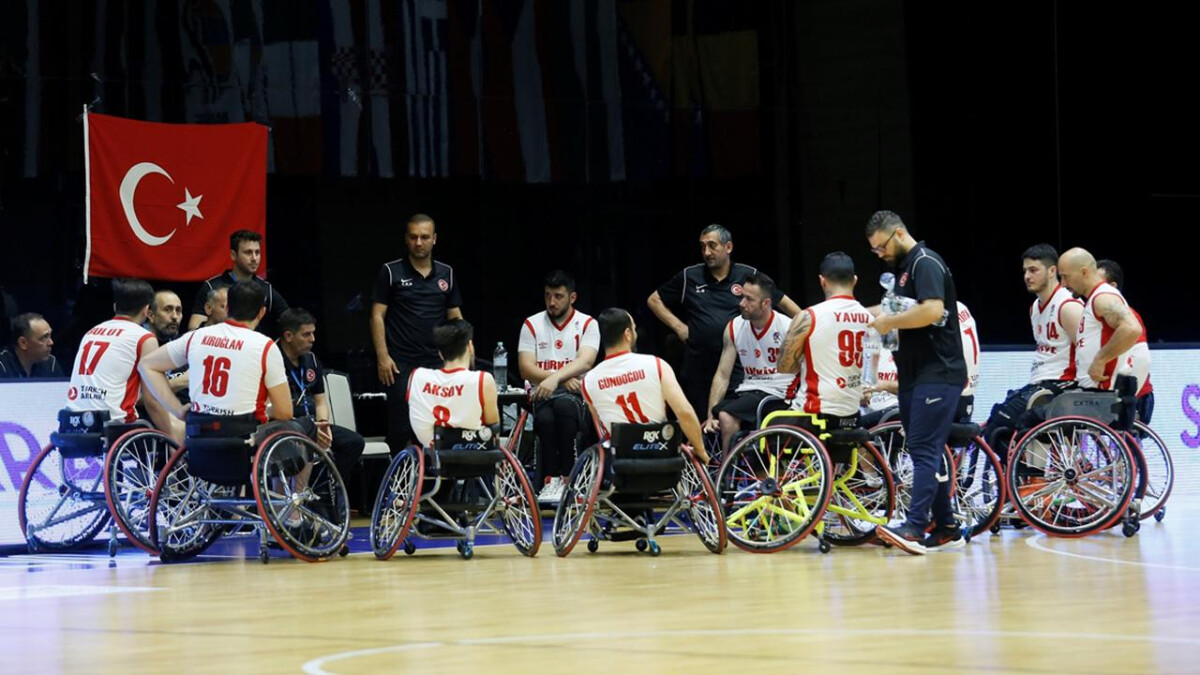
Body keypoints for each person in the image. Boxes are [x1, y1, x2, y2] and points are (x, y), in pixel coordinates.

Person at [865, 211, 967, 555]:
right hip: (914, 375)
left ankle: (915, 525)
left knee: (924, 450)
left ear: (897, 233)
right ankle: (947, 525)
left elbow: (932, 311)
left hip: (937, 374)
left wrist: (888, 321)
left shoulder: (924, 262)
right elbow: (888, 309)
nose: (879, 254)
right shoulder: (903, 271)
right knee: (924, 450)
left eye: (880, 247)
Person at [647, 224, 800, 421]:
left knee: (730, 417)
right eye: (702, 247)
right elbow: (654, 300)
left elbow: (788, 306)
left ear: (728, 247)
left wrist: (807, 328)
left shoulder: (748, 275)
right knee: (700, 422)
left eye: (712, 246)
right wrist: (679, 328)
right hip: (698, 364)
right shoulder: (689, 276)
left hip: (737, 366)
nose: (706, 252)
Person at [371, 213, 464, 454]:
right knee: (400, 429)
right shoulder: (390, 271)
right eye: (413, 237)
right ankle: (398, 486)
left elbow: (455, 318)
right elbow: (377, 316)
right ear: (406, 239)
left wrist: (462, 354)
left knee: (438, 426)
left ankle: (437, 487)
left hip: (436, 363)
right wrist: (383, 356)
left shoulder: (447, 273)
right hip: (400, 363)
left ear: (434, 239)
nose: (419, 242)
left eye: (424, 237)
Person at [580, 308, 709, 464]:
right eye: (634, 329)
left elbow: (601, 428)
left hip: (620, 465)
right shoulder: (656, 364)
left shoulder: (589, 381)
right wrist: (700, 450)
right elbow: (684, 413)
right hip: (662, 458)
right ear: (627, 334)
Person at [984, 244, 1082, 447]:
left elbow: (1086, 353)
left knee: (1001, 425)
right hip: (1040, 382)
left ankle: (1031, 476)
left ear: (1052, 271)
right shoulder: (1035, 308)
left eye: (1033, 270)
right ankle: (1026, 477)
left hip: (1062, 383)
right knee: (993, 422)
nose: (1027, 276)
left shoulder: (1068, 306)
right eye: (1025, 271)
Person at [517, 270, 600, 503]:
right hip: (543, 393)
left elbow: (586, 361)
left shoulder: (587, 324)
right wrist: (560, 378)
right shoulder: (531, 324)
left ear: (572, 297)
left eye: (558, 296)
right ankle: (550, 480)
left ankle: (566, 477)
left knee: (564, 407)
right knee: (544, 418)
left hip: (576, 396)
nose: (552, 302)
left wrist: (554, 380)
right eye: (547, 296)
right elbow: (525, 368)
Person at [702, 272, 792, 458]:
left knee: (727, 415)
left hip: (779, 394)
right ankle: (744, 469)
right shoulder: (734, 327)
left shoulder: (787, 327)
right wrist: (710, 415)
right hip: (750, 391)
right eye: (741, 296)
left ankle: (726, 475)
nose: (741, 303)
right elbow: (722, 375)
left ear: (766, 303)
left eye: (749, 299)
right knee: (718, 414)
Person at [777, 253, 870, 431]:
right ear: (855, 280)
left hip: (814, 415)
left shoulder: (808, 317)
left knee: (759, 441)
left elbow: (785, 367)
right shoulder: (870, 318)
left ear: (822, 281)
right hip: (852, 415)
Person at [66, 279, 173, 431]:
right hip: (115, 424)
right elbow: (152, 401)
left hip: (73, 421)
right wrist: (171, 436)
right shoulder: (144, 337)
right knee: (179, 429)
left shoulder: (91, 332)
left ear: (115, 306)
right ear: (147, 310)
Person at [277, 308, 366, 483]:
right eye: (306, 334)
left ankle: (325, 488)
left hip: (313, 424)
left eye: (313, 333)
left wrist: (323, 425)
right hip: (286, 426)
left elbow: (320, 402)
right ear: (288, 336)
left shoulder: (311, 360)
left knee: (354, 442)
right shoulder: (271, 357)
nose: (313, 339)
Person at [1057, 248, 1141, 391]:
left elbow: (1132, 328)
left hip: (1105, 394)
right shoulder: (1094, 299)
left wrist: (1101, 359)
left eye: (1066, 277)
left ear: (1084, 272)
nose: (1063, 284)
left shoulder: (1103, 297)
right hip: (1095, 392)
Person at [406, 319, 498, 448]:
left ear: (440, 354)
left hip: (433, 455)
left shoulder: (417, 377)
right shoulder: (483, 380)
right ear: (470, 346)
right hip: (474, 456)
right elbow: (494, 428)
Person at [187, 230, 288, 334]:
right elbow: (193, 328)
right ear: (233, 255)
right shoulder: (211, 286)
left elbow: (290, 323)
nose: (254, 258)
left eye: (257, 252)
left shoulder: (267, 290)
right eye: (248, 252)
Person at [1096, 259, 1154, 423]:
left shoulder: (1127, 316)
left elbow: (1141, 359)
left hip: (1136, 395)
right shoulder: (1094, 316)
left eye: (1098, 283)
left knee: (1129, 447)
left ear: (1112, 287)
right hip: (1113, 393)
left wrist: (1128, 397)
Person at [0, 313, 63, 379]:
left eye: (50, 336)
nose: (51, 342)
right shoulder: (2, 365)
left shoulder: (51, 363)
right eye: (44, 337)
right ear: (23, 343)